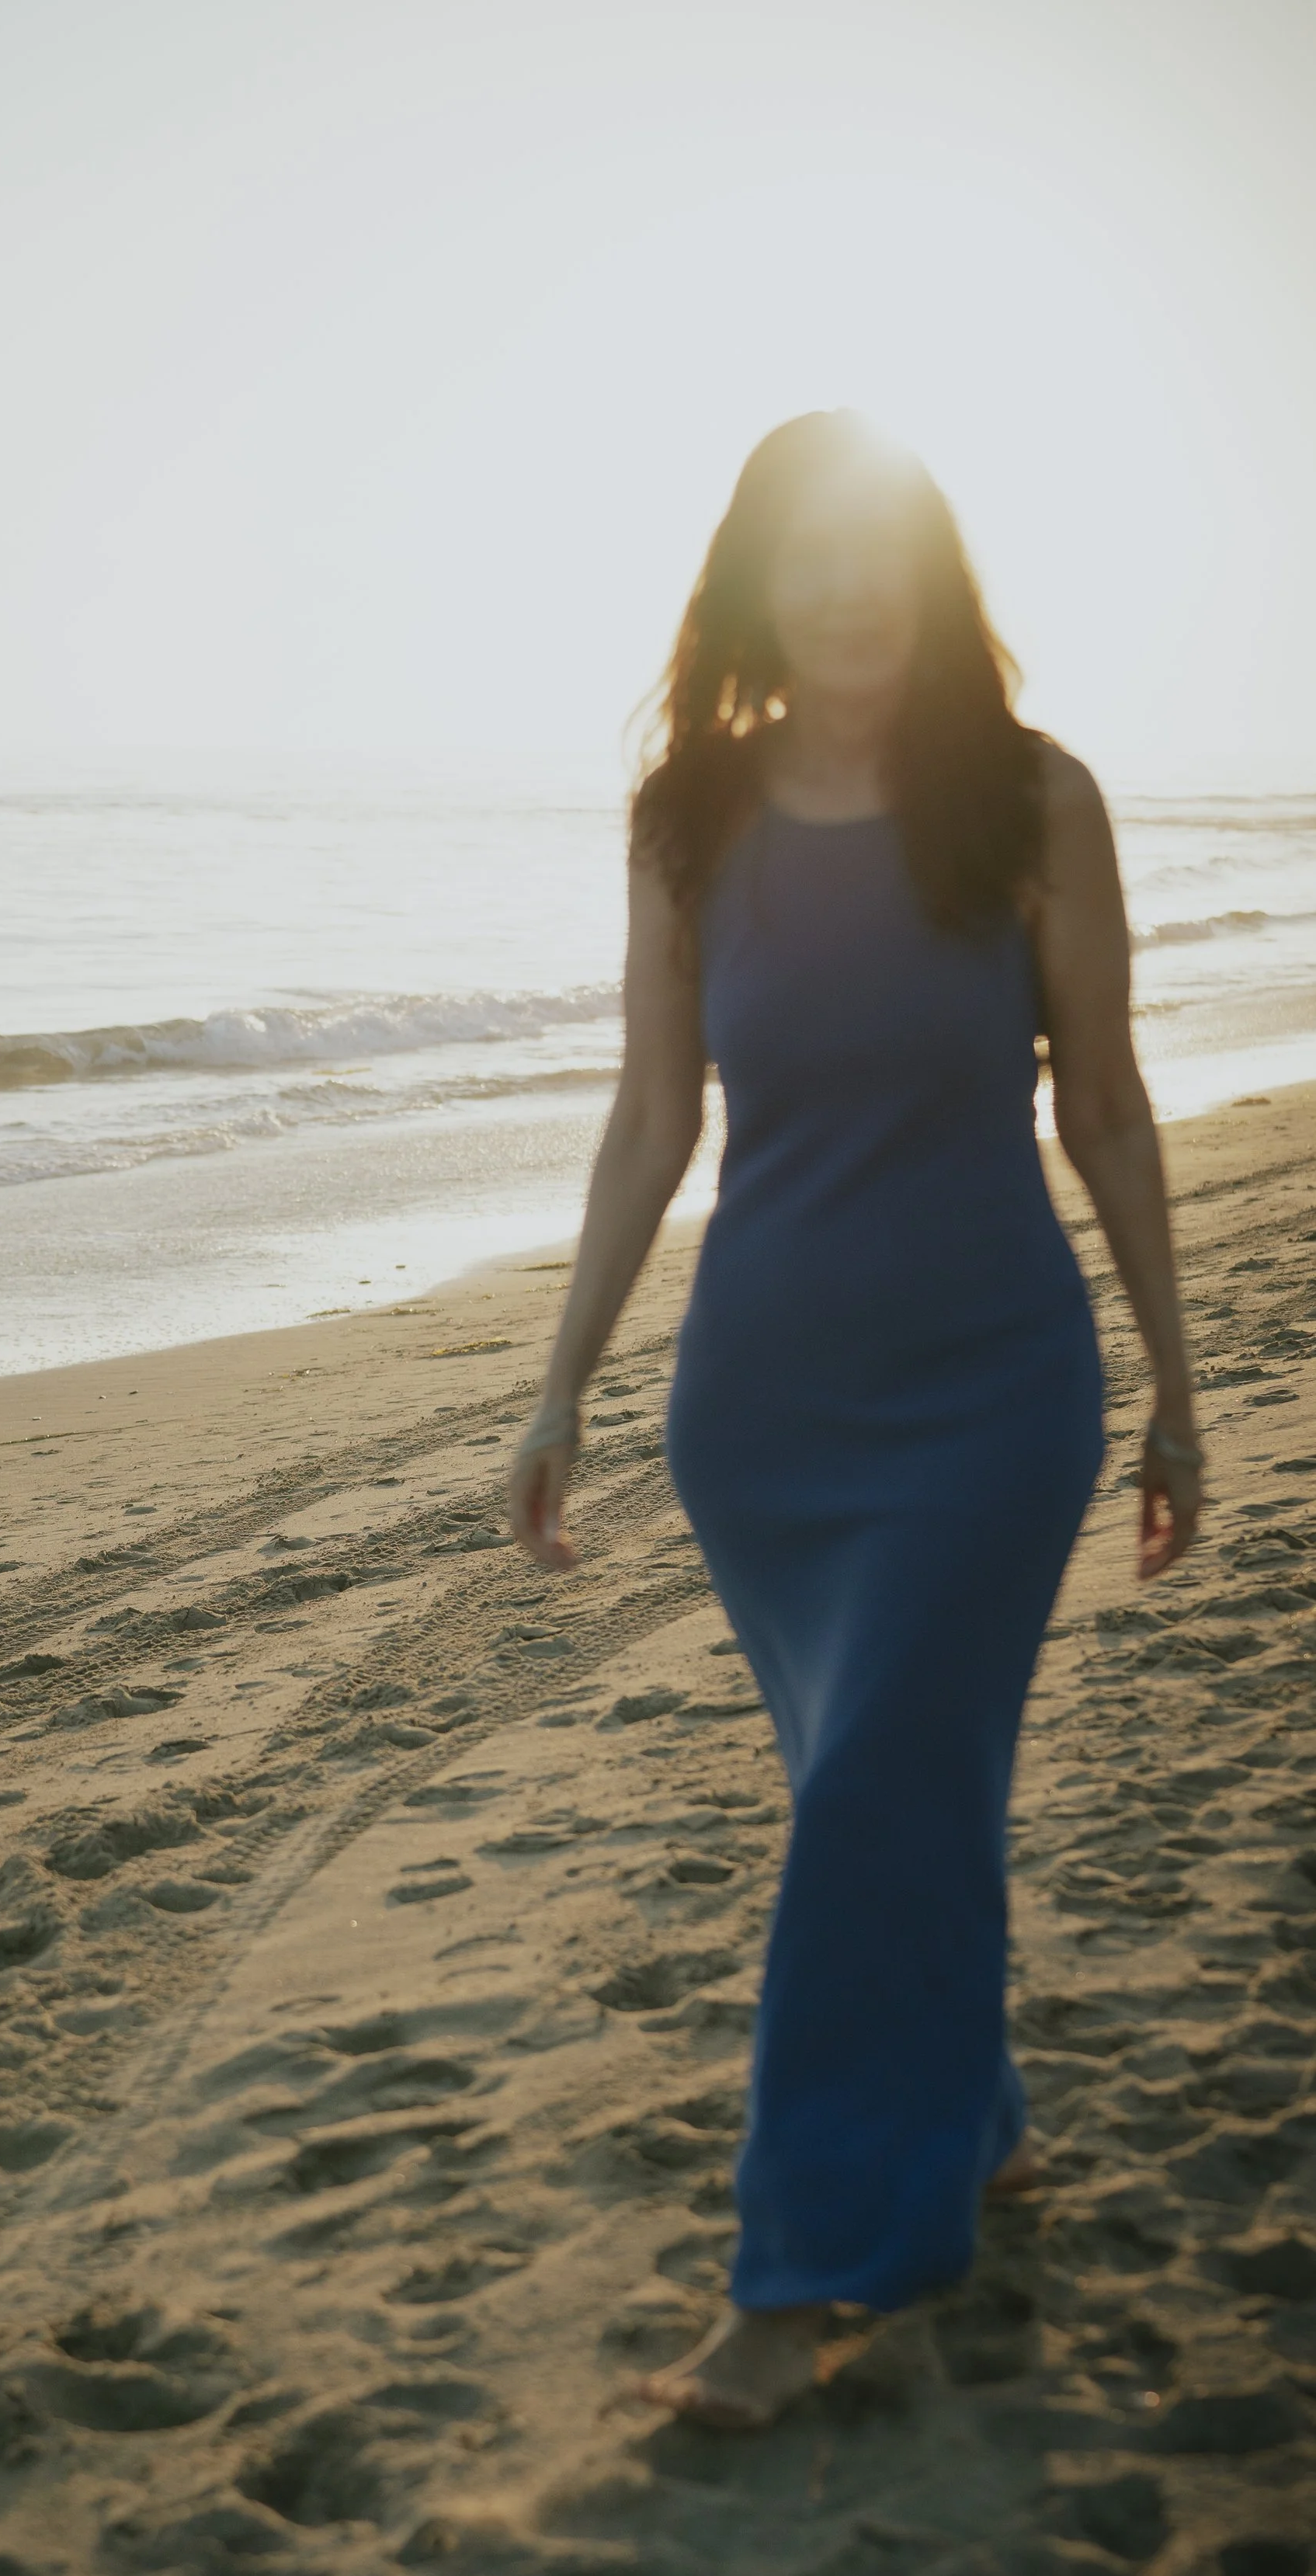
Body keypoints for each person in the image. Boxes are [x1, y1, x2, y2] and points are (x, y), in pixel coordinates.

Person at [507, 409, 1200, 2431]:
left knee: (866, 1789)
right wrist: (557, 1383)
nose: (845, 590)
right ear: (754, 587)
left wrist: (1172, 1381)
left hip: (991, 1393)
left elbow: (1112, 1107)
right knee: (884, 1783)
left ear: (927, 575)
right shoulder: (685, 822)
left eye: (876, 551)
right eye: (805, 557)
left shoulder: (1030, 804)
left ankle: (798, 2275)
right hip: (763, 1419)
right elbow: (650, 1120)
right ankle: (967, 2116)